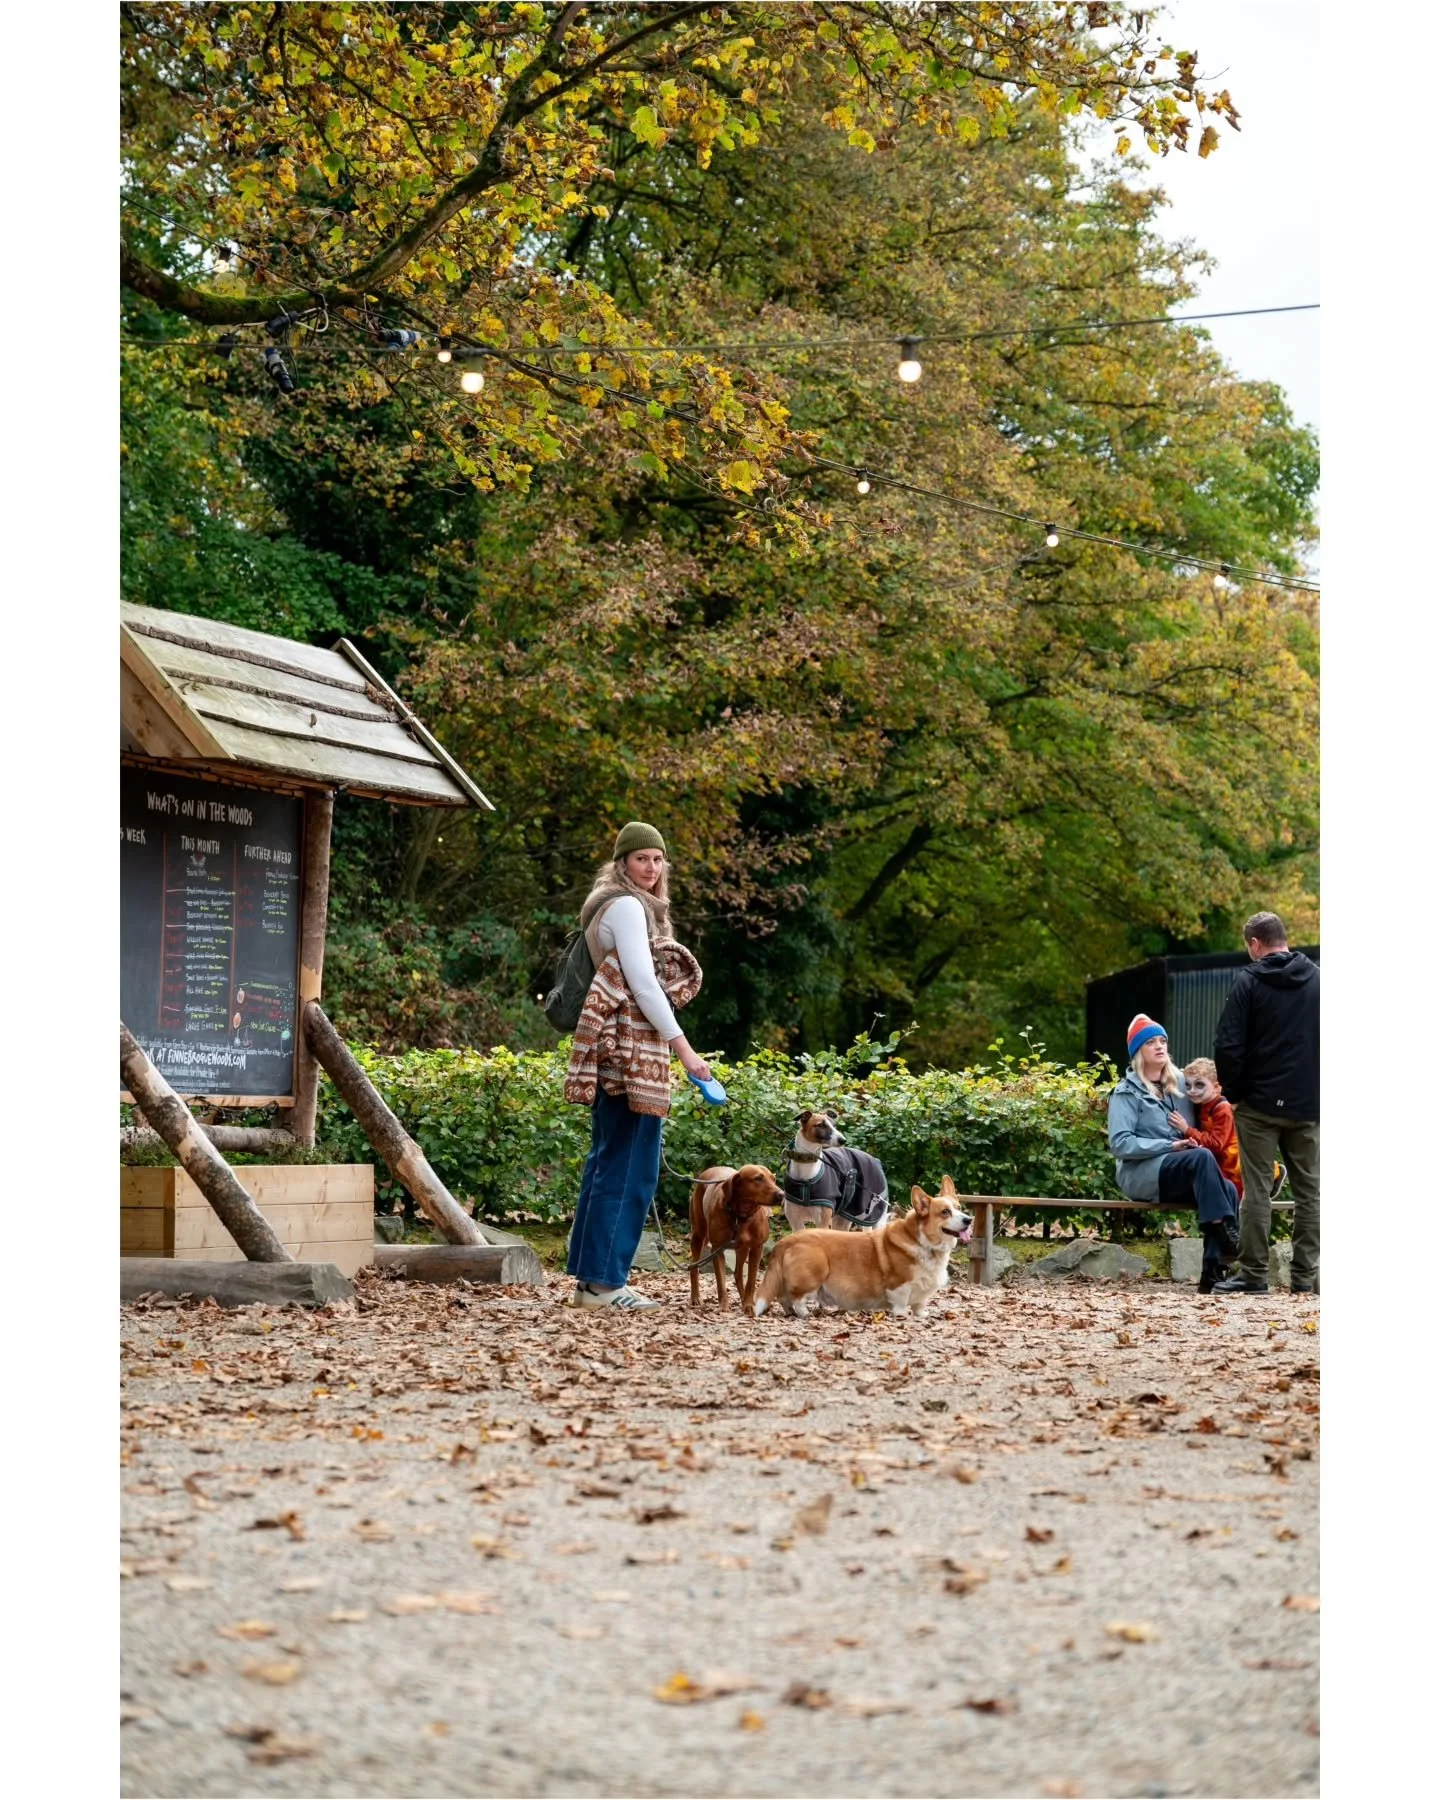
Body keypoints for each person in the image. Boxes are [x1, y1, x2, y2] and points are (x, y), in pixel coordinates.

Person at [561, 822, 712, 1312]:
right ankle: (605, 1285)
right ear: (622, 862)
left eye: (658, 859)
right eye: (641, 858)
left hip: (615, 1050)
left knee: (608, 1162)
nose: (651, 867)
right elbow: (644, 986)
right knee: (631, 1168)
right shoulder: (625, 906)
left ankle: (593, 1282)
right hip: (629, 1053)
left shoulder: (610, 904)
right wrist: (685, 1051)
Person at [1212, 911, 1319, 1295]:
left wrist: (1235, 1094)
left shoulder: (1249, 982)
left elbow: (1228, 1044)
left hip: (1258, 1106)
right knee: (1311, 1191)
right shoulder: (1318, 981)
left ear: (1255, 944)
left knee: (1257, 1189)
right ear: (1284, 938)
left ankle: (1254, 1275)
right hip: (1309, 1106)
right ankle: (1305, 1278)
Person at [1107, 1014, 1240, 1294]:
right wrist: (1169, 1146)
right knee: (1202, 1159)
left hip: (1185, 1169)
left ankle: (1212, 1275)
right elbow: (1120, 1145)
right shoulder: (1125, 1093)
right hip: (1141, 1174)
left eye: (1163, 1040)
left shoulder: (1181, 1083)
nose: (1159, 1046)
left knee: (1226, 1186)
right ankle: (1224, 1233)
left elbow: (1213, 1098)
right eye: (1151, 1042)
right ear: (1138, 1051)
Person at [1179, 1058, 1244, 1199]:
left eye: (1199, 1085)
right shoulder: (1203, 1103)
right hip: (1218, 1166)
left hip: (1232, 1170)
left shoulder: (1222, 1109)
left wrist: (1187, 1130)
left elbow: (1216, 1144)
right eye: (1188, 1086)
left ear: (1216, 1087)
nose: (1192, 1091)